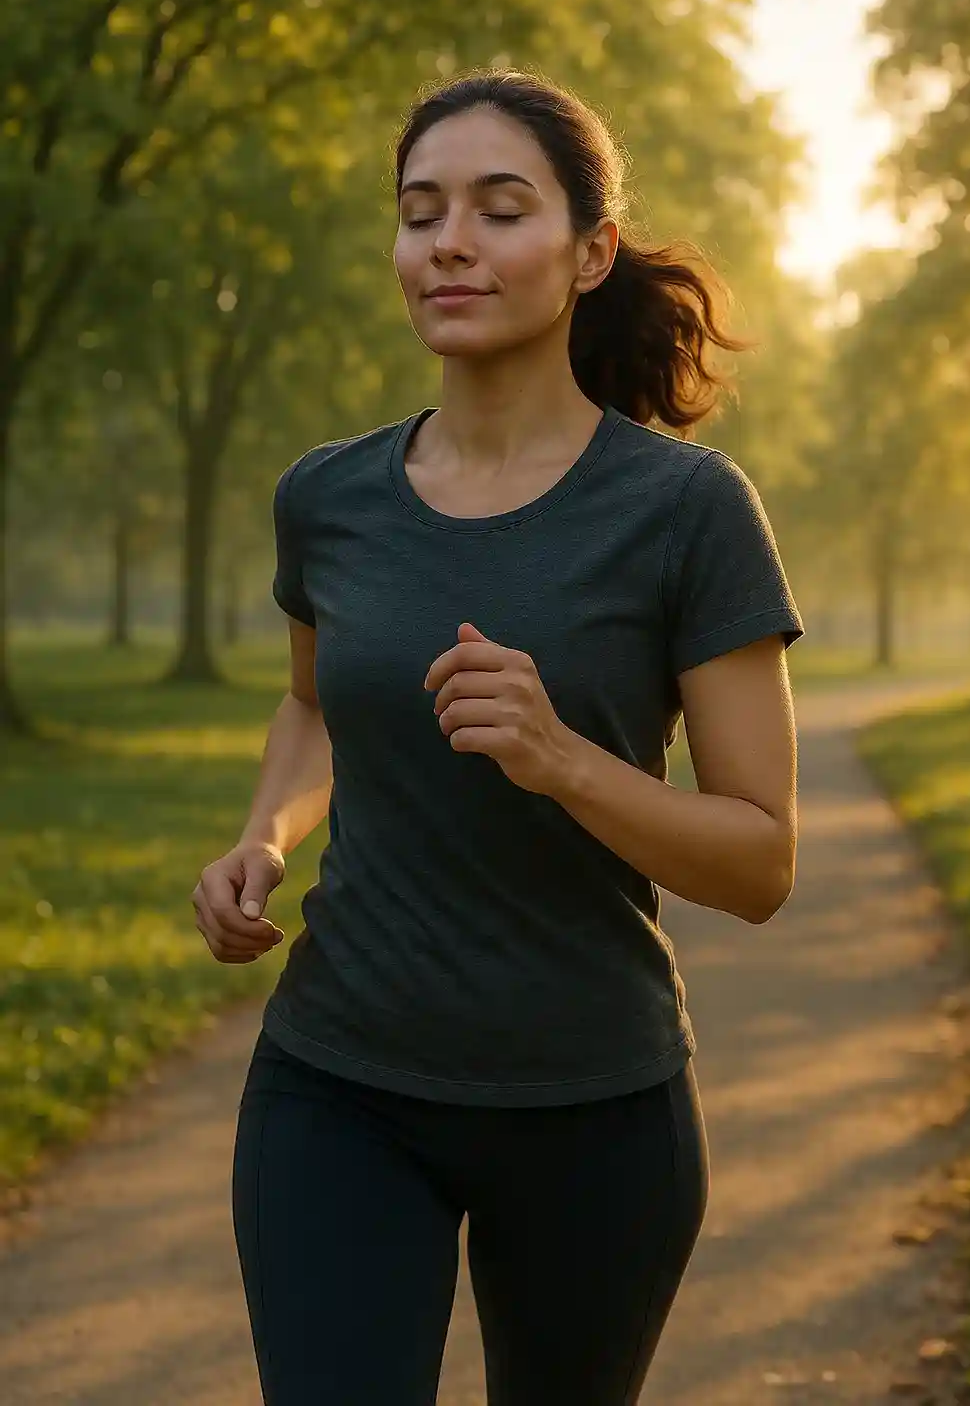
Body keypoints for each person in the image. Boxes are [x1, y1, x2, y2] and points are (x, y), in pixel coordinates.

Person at [192, 68, 804, 1405]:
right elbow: (312, 704)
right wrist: (262, 836)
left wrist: (562, 758)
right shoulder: (329, 498)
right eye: (420, 213)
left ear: (590, 254)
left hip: (594, 1107)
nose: (449, 241)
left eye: (497, 207)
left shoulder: (687, 513)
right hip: (337, 1082)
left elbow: (760, 863)